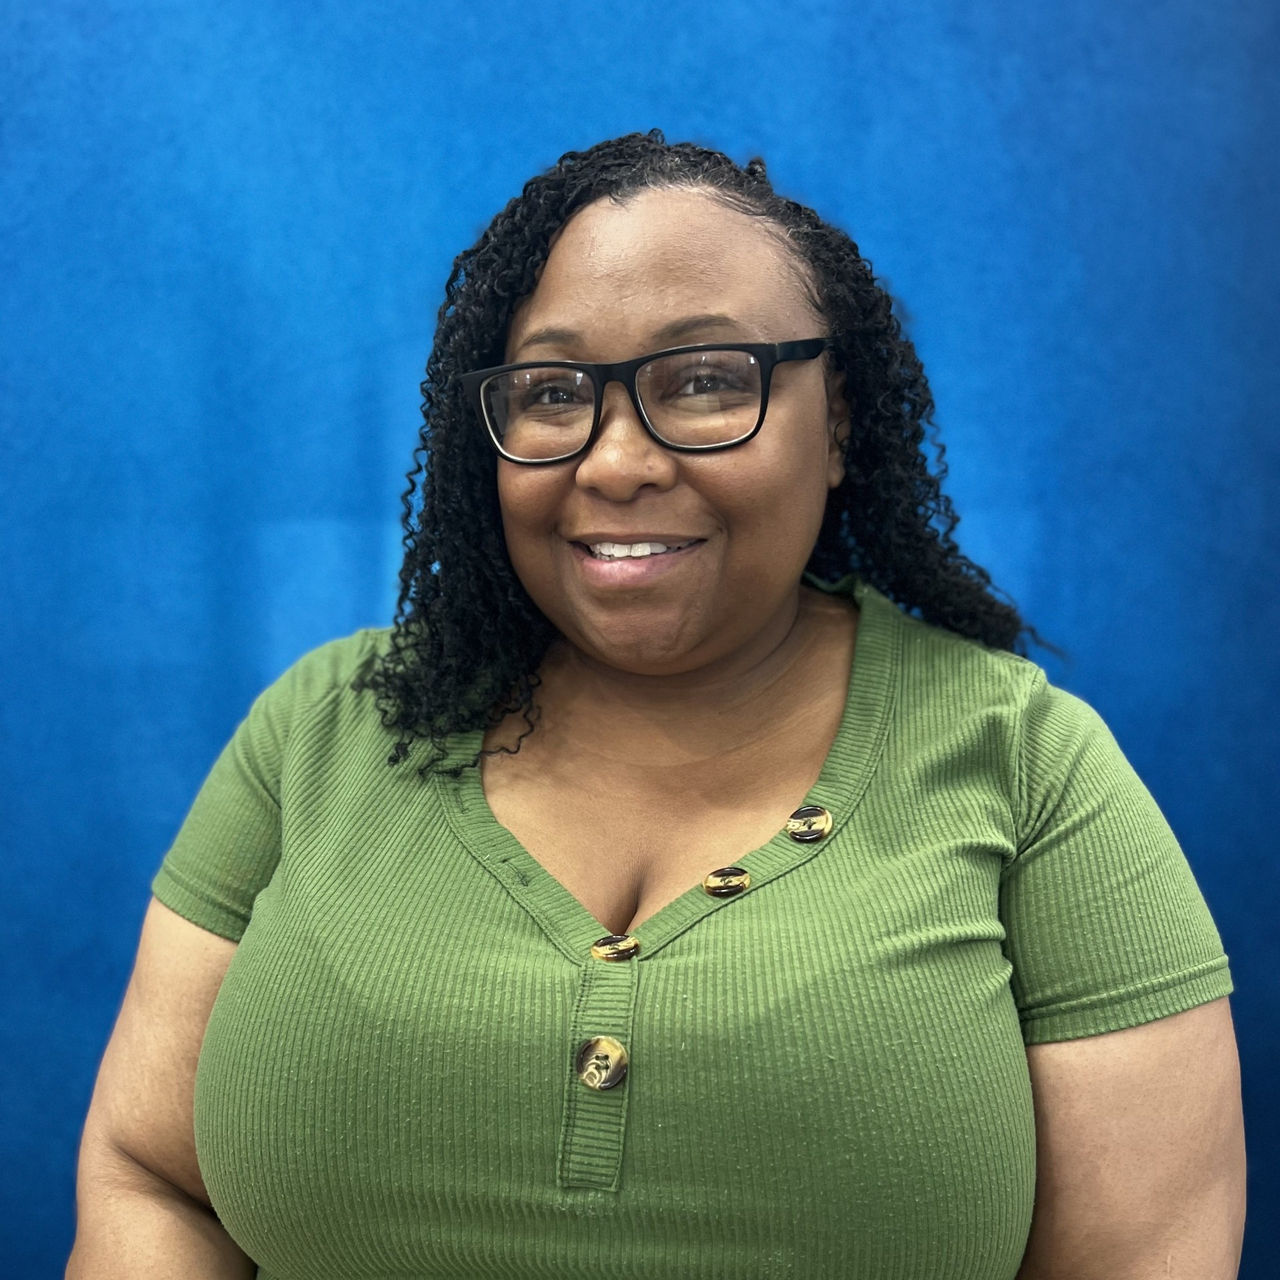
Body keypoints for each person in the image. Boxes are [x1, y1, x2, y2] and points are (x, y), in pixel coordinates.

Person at [68, 132, 1246, 1280]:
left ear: (837, 420)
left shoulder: (1028, 767)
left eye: (705, 380)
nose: (615, 462)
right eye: (552, 392)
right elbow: (152, 1175)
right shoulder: (322, 728)